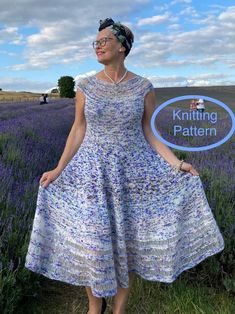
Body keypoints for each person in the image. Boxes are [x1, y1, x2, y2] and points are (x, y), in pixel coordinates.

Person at [25, 17, 224, 314]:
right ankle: (95, 306)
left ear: (123, 46)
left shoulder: (143, 86)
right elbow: (78, 129)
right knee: (93, 240)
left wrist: (176, 163)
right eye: (96, 42)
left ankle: (119, 309)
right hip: (92, 172)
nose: (98, 46)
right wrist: (58, 169)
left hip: (134, 172)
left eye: (104, 40)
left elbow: (150, 130)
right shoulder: (86, 86)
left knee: (129, 242)